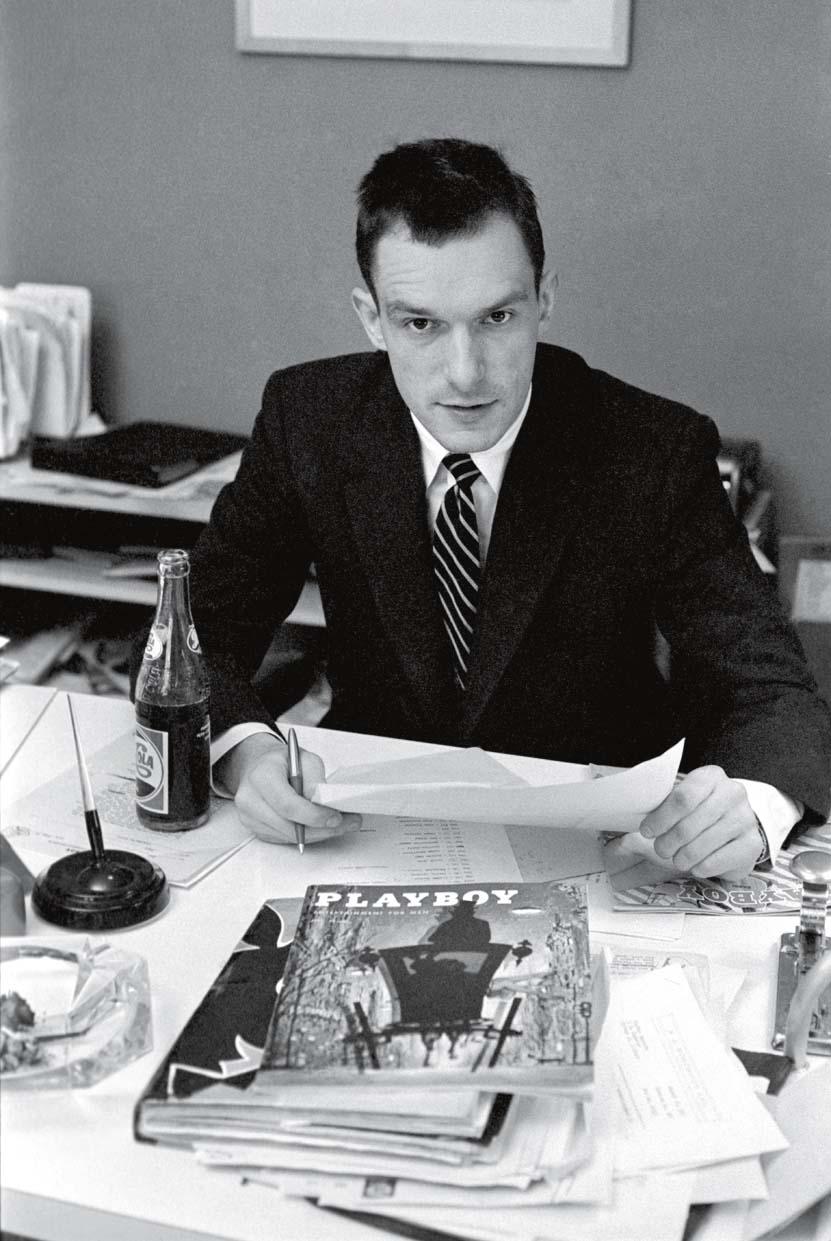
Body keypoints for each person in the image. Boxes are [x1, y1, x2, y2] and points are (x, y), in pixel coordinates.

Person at [135, 138, 831, 884]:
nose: (464, 374)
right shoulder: (307, 419)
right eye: (419, 324)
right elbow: (197, 631)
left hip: (606, 841)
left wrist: (754, 805)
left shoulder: (652, 449)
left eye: (496, 317)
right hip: (364, 823)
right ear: (370, 318)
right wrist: (246, 753)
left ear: (544, 299)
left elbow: (767, 684)